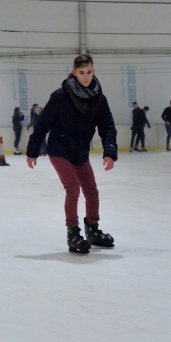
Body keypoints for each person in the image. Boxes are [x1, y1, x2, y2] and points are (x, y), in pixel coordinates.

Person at [26, 54, 118, 255]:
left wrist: (109, 152)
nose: (85, 77)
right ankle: (73, 232)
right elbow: (42, 125)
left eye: (89, 72)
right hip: (59, 150)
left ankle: (92, 230)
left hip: (80, 152)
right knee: (73, 189)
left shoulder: (99, 99)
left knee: (92, 191)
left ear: (94, 72)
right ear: (73, 72)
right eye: (81, 73)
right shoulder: (60, 96)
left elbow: (108, 127)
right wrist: (32, 151)